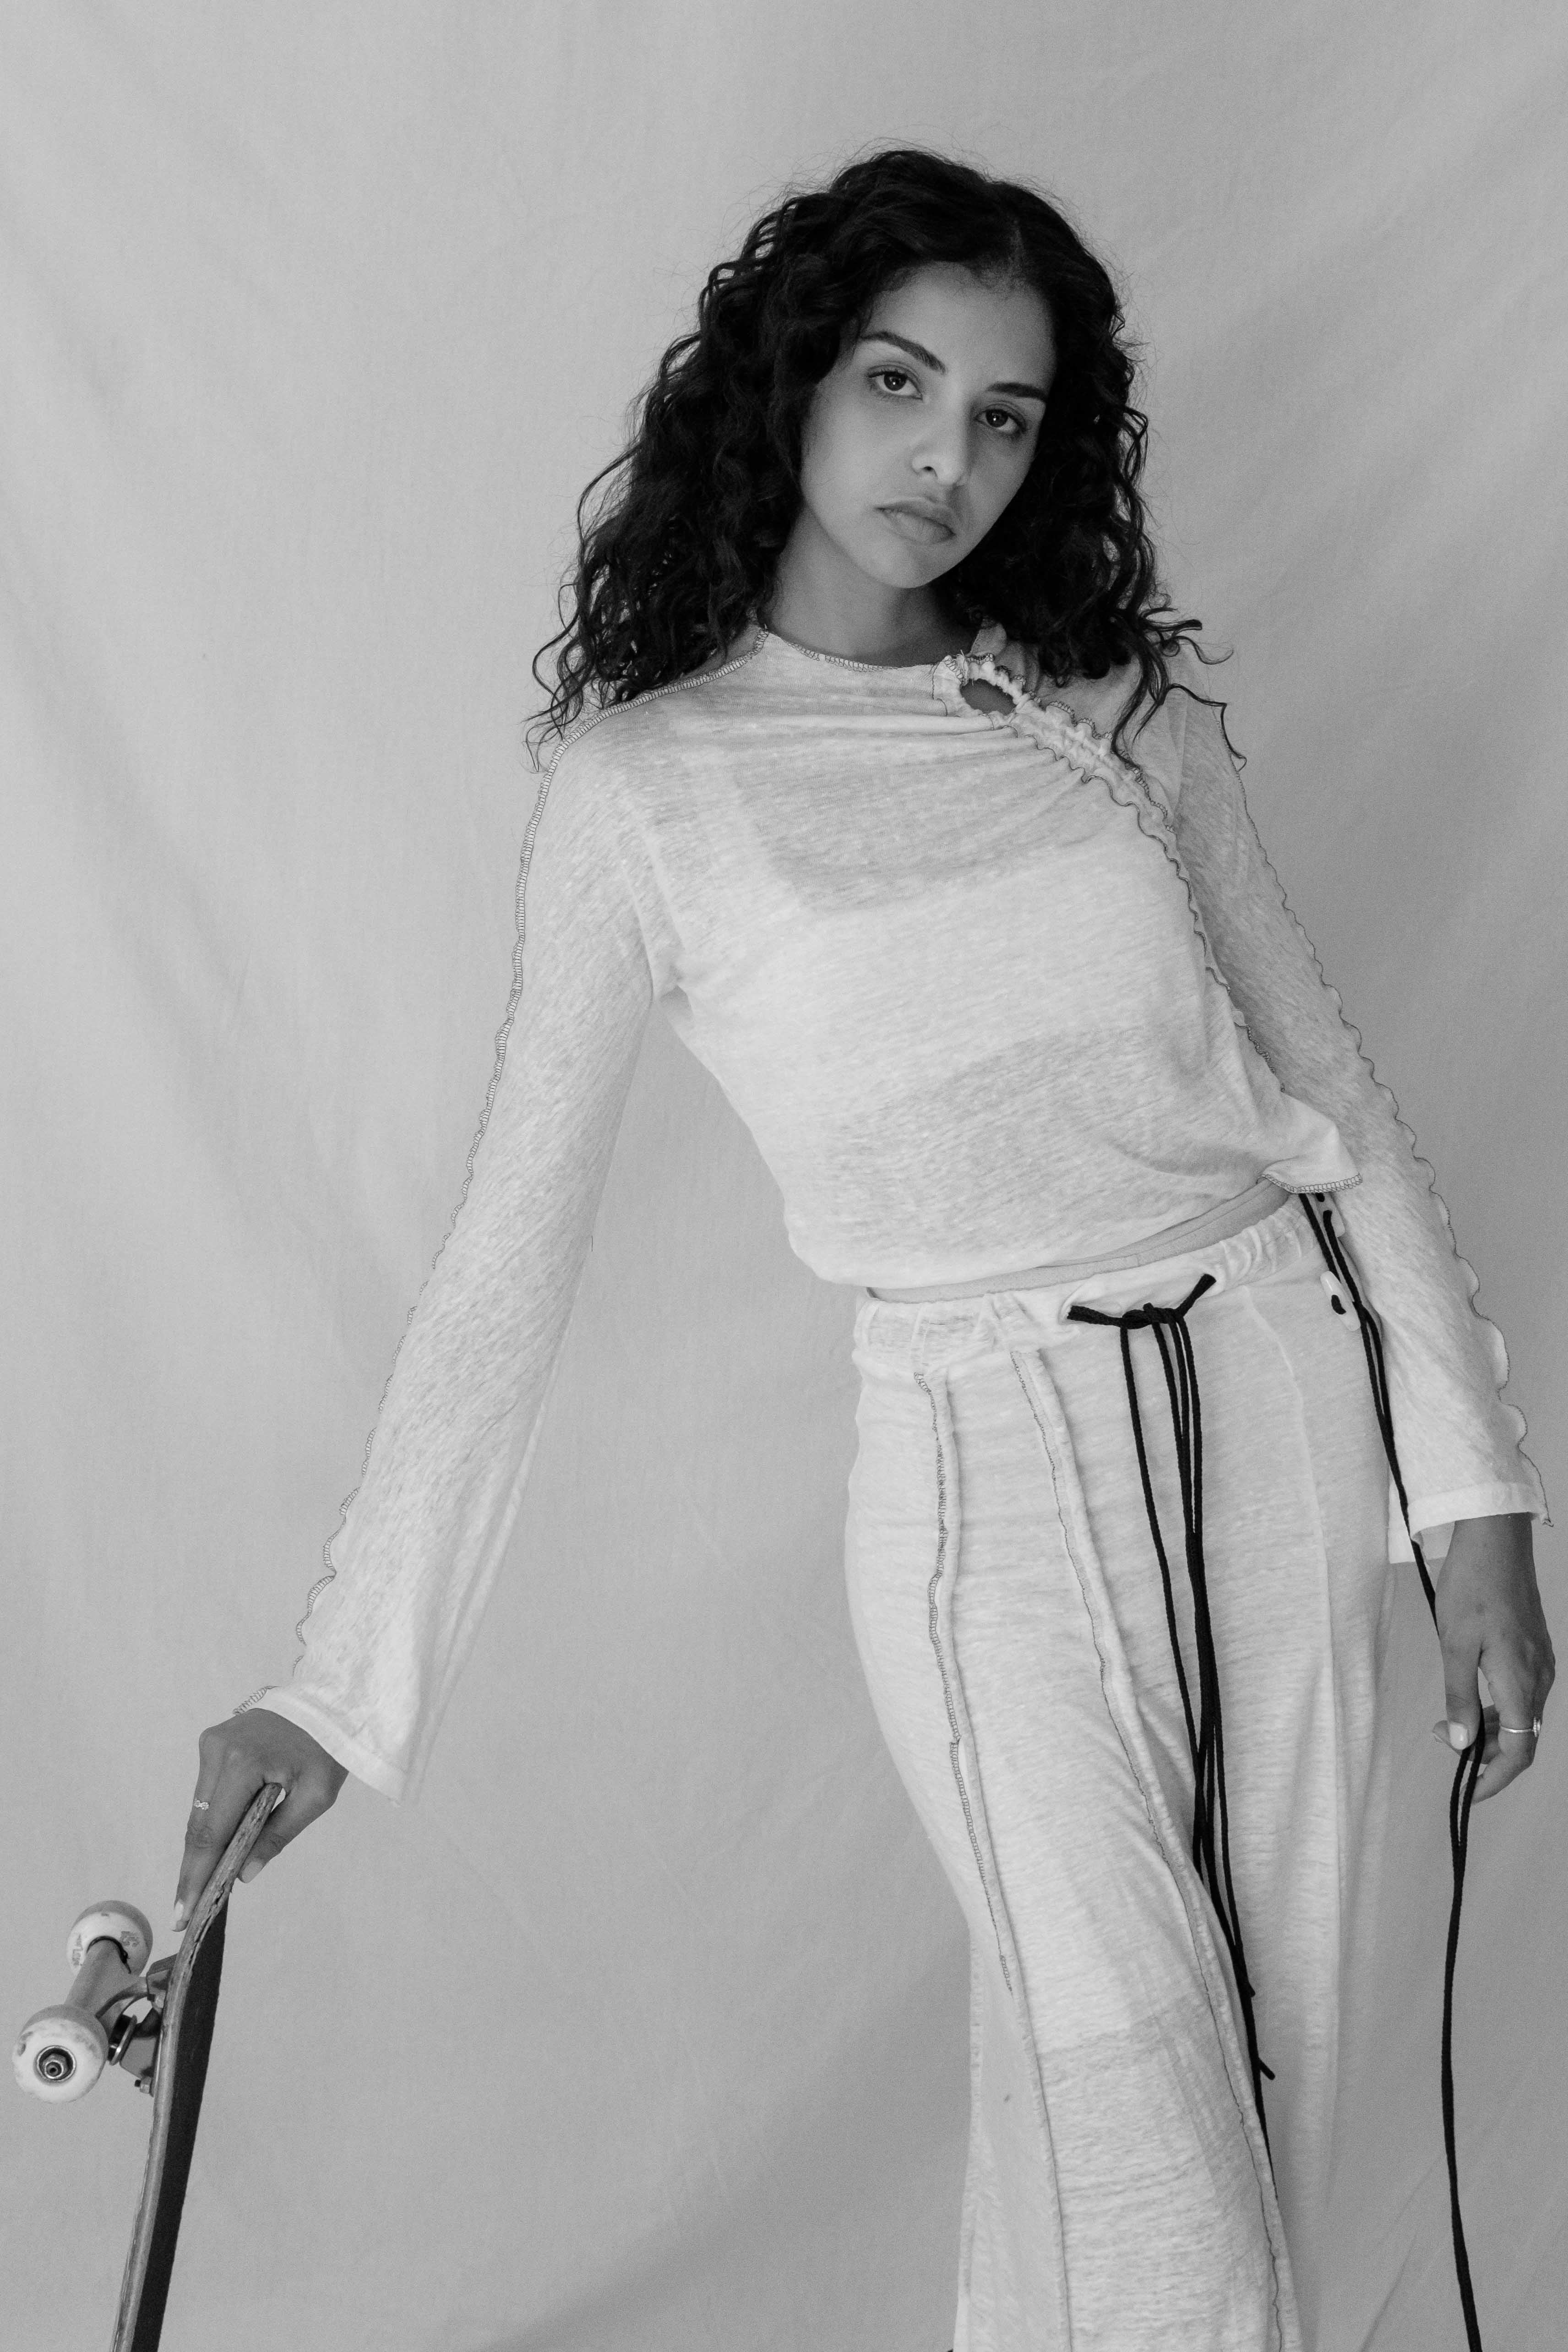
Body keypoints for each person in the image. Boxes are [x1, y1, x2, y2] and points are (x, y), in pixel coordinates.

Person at [170, 147, 1552, 2350]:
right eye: (900, 384)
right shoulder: (653, 789)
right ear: (792, 382)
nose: (946, 460)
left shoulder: (1110, 713)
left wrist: (1469, 1498)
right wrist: (338, 1690)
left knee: (1271, 2101)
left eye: (1005, 415)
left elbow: (1339, 1106)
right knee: (1148, 2146)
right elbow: (505, 1267)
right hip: (981, 1481)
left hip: (1282, 1417)